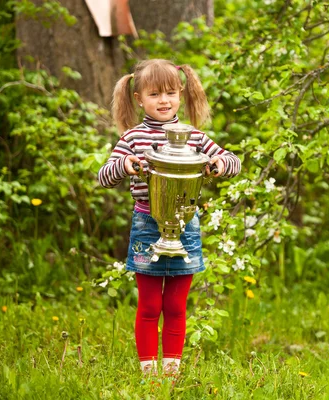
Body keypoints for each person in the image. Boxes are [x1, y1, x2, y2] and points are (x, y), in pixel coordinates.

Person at [97, 59, 241, 377]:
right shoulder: (132, 139)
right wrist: (125, 165)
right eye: (154, 94)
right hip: (147, 227)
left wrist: (218, 162)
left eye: (171, 93)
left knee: (176, 307)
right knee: (150, 307)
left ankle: (171, 374)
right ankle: (150, 376)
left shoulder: (193, 137)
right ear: (138, 99)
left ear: (180, 93)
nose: (164, 101)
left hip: (186, 227)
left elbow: (233, 160)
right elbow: (103, 176)